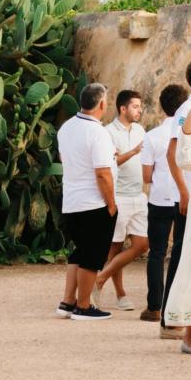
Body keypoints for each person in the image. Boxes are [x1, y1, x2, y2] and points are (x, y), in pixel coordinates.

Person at [55, 82, 117, 322]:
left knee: (79, 252)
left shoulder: (66, 128)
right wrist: (110, 203)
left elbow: (65, 159)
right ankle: (83, 306)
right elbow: (103, 173)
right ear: (101, 104)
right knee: (92, 255)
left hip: (71, 200)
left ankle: (67, 302)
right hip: (94, 202)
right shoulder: (98, 132)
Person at [161, 60, 191, 332]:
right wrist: (183, 191)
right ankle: (170, 321)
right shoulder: (188, 109)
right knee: (183, 252)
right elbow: (173, 152)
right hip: (190, 192)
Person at [96, 90, 148, 310]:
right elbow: (110, 163)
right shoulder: (107, 132)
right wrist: (134, 152)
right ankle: (121, 294)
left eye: (140, 106)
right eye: (135, 106)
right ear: (123, 108)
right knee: (115, 248)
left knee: (142, 244)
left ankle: (100, 278)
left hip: (139, 196)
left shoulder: (141, 130)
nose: (139, 110)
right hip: (119, 197)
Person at [141, 84, 185, 322]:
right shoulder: (189, 131)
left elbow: (146, 176)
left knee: (156, 253)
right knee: (179, 252)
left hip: (159, 199)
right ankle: (173, 305)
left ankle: (154, 306)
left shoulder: (152, 136)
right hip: (182, 197)